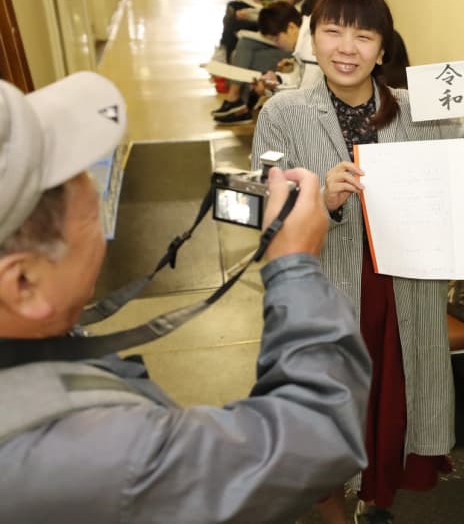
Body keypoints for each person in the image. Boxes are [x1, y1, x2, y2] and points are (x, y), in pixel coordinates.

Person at [0, 72, 372, 523]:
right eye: (91, 209)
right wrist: (294, 261)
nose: (100, 212)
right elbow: (315, 439)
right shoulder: (86, 452)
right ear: (22, 284)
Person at [251, 0, 464, 524]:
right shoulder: (284, 111)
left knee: (390, 404)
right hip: (325, 290)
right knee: (324, 411)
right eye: (332, 31)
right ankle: (332, 513)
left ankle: (375, 503)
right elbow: (258, 203)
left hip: (404, 287)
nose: (346, 47)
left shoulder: (413, 106)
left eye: (363, 34)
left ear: (382, 46)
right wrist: (320, 201)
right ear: (314, 38)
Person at [214, 0, 336, 125]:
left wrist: (269, 92)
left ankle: (240, 105)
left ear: (291, 28)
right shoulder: (305, 36)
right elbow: (300, 82)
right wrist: (277, 80)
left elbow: (305, 99)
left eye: (277, 39)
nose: (278, 45)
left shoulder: (309, 47)